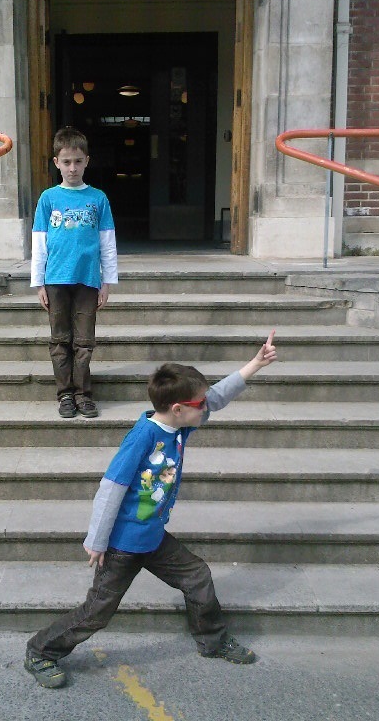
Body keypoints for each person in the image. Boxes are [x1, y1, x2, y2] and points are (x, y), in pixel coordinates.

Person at [24, 333, 279, 688]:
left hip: (153, 537)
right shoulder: (143, 436)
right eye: (199, 403)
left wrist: (255, 364)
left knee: (196, 576)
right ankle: (40, 651)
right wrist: (97, 541)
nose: (206, 407)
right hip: (123, 544)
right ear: (179, 408)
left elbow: (217, 397)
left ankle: (213, 641)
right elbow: (110, 488)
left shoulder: (179, 428)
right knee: (96, 613)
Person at [30, 126, 118, 419]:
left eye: (78, 161)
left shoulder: (98, 198)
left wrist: (107, 281)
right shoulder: (49, 198)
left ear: (87, 161)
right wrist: (38, 282)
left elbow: (107, 242)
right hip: (55, 279)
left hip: (88, 280)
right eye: (66, 161)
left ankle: (84, 395)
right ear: (56, 162)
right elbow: (39, 242)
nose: (72, 167)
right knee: (59, 339)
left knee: (84, 340)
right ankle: (65, 393)